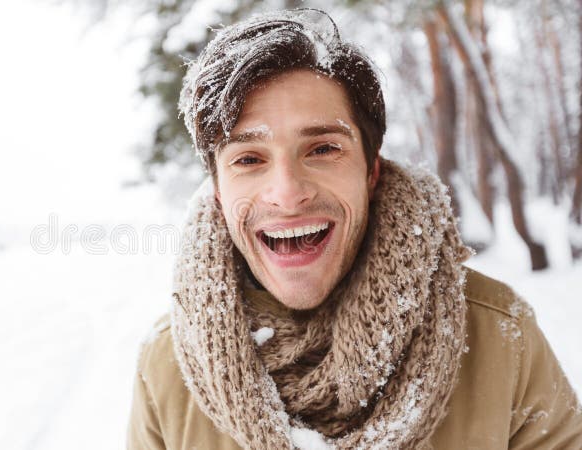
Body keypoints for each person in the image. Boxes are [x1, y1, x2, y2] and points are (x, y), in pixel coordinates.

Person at [127, 9, 582, 450]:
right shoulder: (167, 365)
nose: (286, 194)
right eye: (248, 159)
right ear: (219, 192)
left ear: (371, 171)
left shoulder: (500, 336)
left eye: (323, 149)